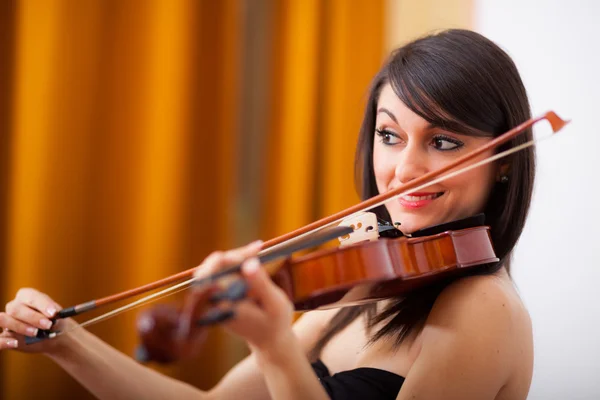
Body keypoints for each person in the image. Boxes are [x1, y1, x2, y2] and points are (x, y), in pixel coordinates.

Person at [0, 29, 536, 399]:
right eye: (390, 136)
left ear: (504, 163)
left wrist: (277, 348)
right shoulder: (365, 282)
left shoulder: (481, 307)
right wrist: (67, 346)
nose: (404, 169)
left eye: (443, 141)